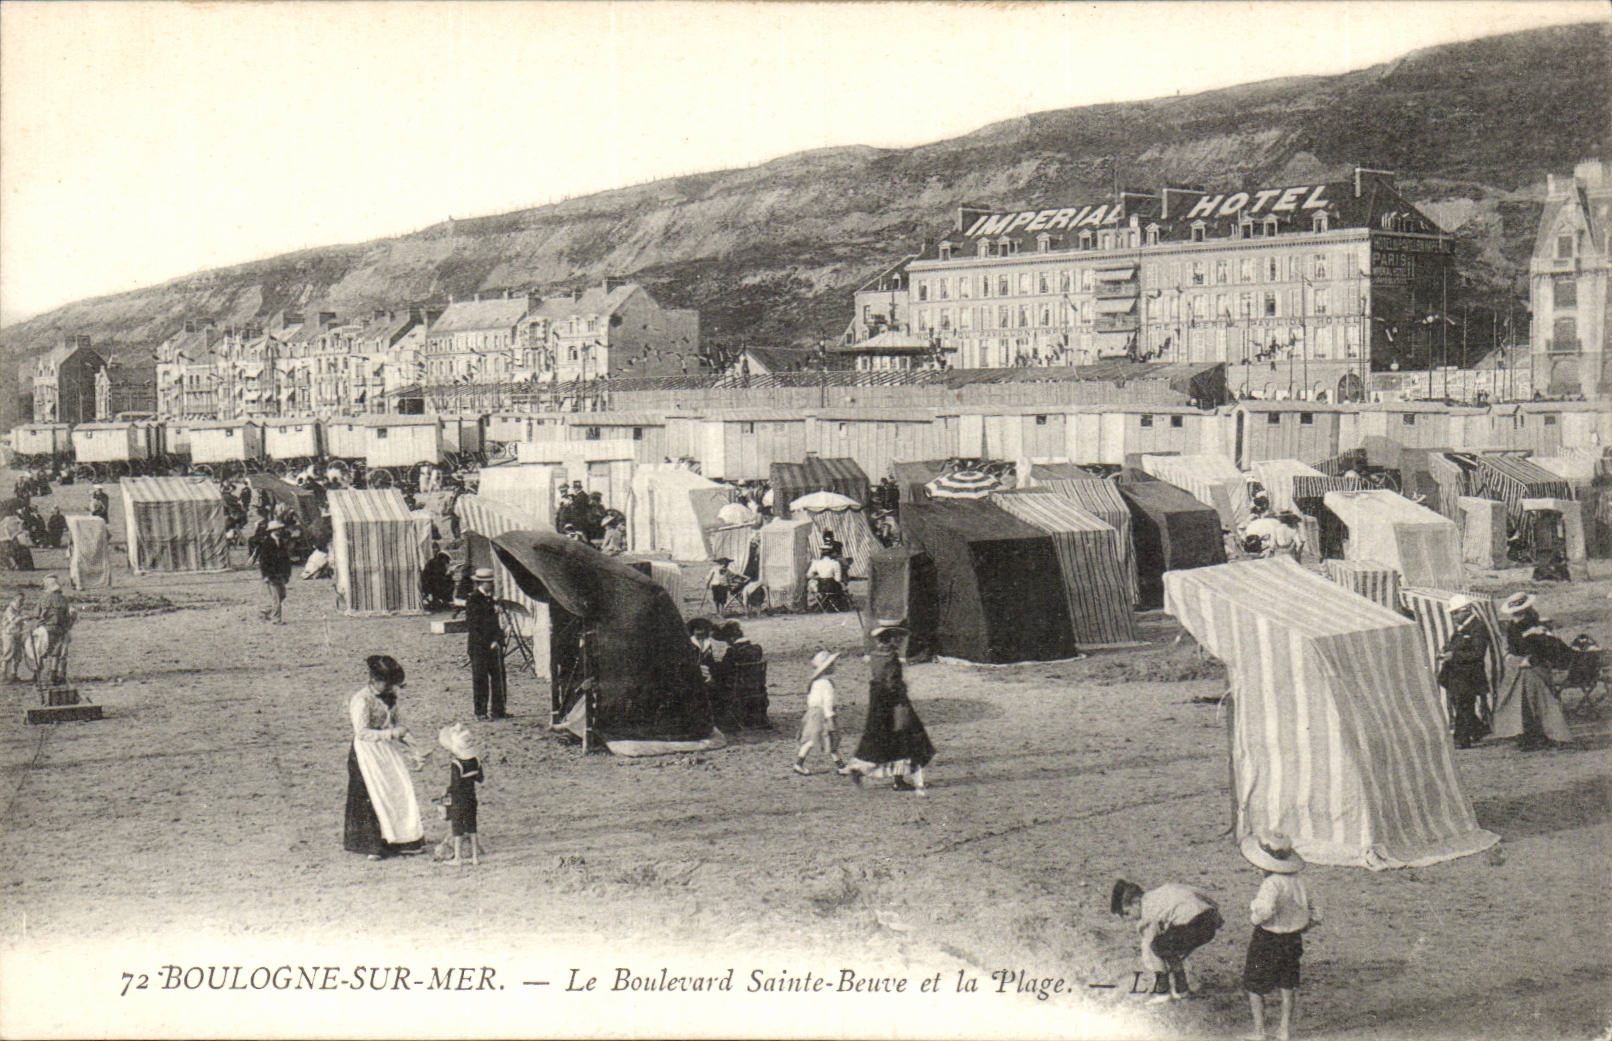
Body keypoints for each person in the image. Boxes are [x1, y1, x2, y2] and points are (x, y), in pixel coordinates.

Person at [344, 654, 426, 861]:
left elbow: (400, 725)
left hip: (385, 751)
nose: (390, 688)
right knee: (374, 794)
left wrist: (415, 748)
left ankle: (403, 839)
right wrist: (390, 734)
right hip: (366, 753)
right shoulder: (361, 699)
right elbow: (362, 732)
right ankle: (374, 844)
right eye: (386, 684)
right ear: (374, 680)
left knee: (398, 789)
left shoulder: (391, 697)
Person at [1241, 832, 1320, 1041]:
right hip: (1293, 938)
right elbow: (1317, 913)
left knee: (1254, 984)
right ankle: (1284, 1029)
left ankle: (1259, 1031)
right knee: (1288, 982)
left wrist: (1255, 918)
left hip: (1268, 938)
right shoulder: (1301, 882)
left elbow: (1265, 911)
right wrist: (1303, 926)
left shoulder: (1272, 884)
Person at [841, 620, 935, 793]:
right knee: (903, 737)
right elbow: (892, 683)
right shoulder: (891, 657)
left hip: (878, 701)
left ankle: (860, 769)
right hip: (894, 702)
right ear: (890, 639)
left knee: (878, 737)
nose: (898, 640)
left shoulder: (875, 655)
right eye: (896, 637)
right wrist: (902, 691)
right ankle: (898, 780)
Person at [1111, 879, 1223, 1004]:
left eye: (1127, 913)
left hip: (1195, 925)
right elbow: (1199, 893)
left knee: (1156, 946)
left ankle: (1163, 992)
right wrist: (1216, 913)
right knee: (1169, 947)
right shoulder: (1165, 890)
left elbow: (1149, 947)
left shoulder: (1148, 911)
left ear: (1136, 902)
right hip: (1209, 919)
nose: (1130, 918)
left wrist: (1156, 970)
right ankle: (1181, 989)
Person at [1492, 592, 1571, 750]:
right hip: (1520, 669)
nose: (1516, 615)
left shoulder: (1535, 625)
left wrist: (1531, 659)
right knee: (1523, 704)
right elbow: (1513, 646)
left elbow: (1545, 648)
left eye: (1519, 611)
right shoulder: (1513, 626)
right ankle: (1529, 736)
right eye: (1515, 612)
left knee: (1537, 702)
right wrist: (1511, 656)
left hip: (1535, 669)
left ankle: (1544, 736)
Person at [1437, 595, 1492, 749]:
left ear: (1466, 610)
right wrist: (1446, 651)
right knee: (1461, 703)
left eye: (1456, 613)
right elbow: (1457, 646)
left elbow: (1478, 653)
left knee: (1463, 705)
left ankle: (1461, 739)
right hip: (1457, 673)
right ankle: (1478, 729)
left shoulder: (1477, 627)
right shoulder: (1463, 627)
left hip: (1469, 674)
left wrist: (1454, 655)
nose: (1453, 617)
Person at [434, 722, 484, 867]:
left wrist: (446, 791)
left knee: (457, 829)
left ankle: (458, 858)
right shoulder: (476, 760)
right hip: (471, 797)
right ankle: (475, 857)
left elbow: (455, 785)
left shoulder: (456, 764)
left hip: (459, 800)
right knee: (472, 827)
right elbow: (480, 778)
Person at [794, 650, 845, 775]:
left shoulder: (815, 683)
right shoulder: (826, 684)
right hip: (823, 715)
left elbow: (811, 701)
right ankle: (841, 767)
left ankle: (799, 763)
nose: (834, 666)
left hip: (813, 713)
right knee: (829, 739)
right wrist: (830, 718)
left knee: (813, 740)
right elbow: (827, 703)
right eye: (832, 664)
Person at [465, 568, 507, 720]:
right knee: (480, 679)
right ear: (480, 583)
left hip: (494, 645)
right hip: (479, 646)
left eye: (491, 582)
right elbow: (475, 626)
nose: (491, 585)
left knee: (499, 678)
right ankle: (480, 712)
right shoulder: (473, 600)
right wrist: (489, 642)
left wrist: (498, 639)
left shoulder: (491, 599)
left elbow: (496, 624)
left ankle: (499, 710)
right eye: (489, 582)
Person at [717, 620, 770, 729]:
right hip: (756, 684)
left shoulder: (732, 652)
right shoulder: (757, 649)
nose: (727, 643)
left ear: (731, 638)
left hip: (738, 686)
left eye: (727, 640)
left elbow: (724, 671)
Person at [257, 519, 292, 624]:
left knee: (282, 595)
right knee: (276, 597)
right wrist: (265, 575)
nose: (280, 531)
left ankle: (266, 611)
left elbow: (286, 559)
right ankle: (276, 619)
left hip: (281, 573)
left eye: (280, 529)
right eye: (278, 529)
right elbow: (263, 561)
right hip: (271, 574)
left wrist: (287, 574)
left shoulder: (281, 542)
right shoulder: (266, 543)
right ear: (272, 530)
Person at [1, 592, 28, 682]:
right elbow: (14, 620)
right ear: (14, 600)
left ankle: (13, 674)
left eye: (23, 600)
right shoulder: (10, 609)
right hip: (9, 634)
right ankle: (3, 674)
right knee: (8, 654)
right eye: (20, 600)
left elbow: (22, 622)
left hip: (17, 634)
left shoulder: (19, 610)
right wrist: (24, 617)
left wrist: (26, 622)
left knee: (17, 655)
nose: (22, 602)